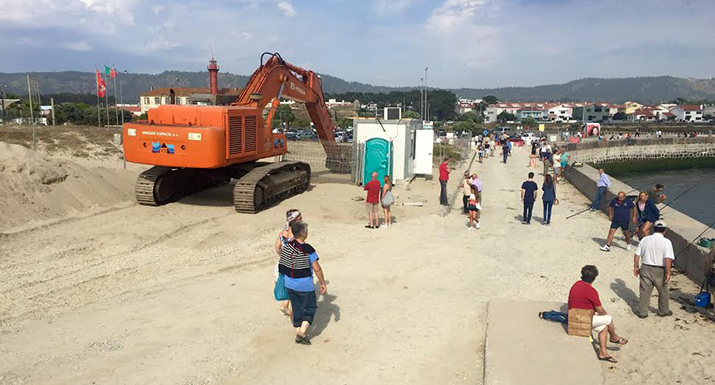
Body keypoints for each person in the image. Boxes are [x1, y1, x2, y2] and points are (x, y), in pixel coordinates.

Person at [568, 265, 628, 363]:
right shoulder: (591, 291)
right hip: (584, 319)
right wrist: (604, 314)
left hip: (574, 316)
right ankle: (614, 337)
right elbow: (600, 309)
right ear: (594, 278)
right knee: (608, 318)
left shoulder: (576, 284)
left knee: (604, 328)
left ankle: (603, 353)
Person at [279, 222, 327, 345]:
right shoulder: (308, 249)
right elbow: (317, 268)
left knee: (296, 308)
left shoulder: (288, 246)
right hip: (305, 285)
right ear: (304, 233)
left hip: (289, 283)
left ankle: (298, 331)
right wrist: (322, 282)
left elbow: (283, 263)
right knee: (310, 307)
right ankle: (302, 332)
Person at [634, 220, 675, 318]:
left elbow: (637, 254)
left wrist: (636, 267)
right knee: (663, 291)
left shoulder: (645, 239)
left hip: (645, 267)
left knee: (644, 291)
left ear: (654, 229)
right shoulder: (667, 242)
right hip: (659, 270)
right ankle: (663, 311)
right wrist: (668, 272)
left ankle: (643, 312)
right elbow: (668, 259)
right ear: (664, 231)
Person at [274, 209, 302, 316]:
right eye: (300, 218)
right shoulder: (297, 234)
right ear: (295, 220)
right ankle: (287, 307)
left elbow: (277, 247)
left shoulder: (283, 233)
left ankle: (286, 304)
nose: (302, 219)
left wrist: (283, 256)